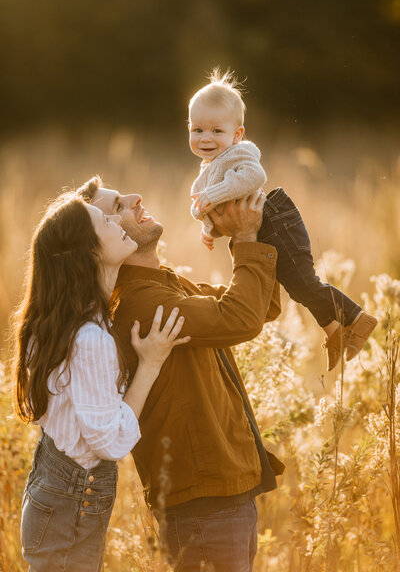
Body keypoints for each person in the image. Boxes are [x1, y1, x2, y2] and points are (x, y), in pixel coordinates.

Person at [77, 175, 282, 572]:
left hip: (225, 496)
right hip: (203, 507)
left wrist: (247, 231)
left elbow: (259, 308)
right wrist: (245, 239)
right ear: (98, 244)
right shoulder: (141, 305)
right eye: (116, 207)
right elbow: (240, 318)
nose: (135, 198)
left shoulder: (166, 285)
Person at [12, 192, 190, 572]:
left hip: (56, 492)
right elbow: (110, 441)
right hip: (69, 504)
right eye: (106, 221)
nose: (117, 221)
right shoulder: (90, 338)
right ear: (89, 252)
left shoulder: (70, 322)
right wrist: (151, 363)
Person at [188, 68, 377, 371]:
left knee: (303, 282)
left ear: (237, 135)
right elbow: (201, 203)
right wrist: (207, 228)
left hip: (276, 219)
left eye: (216, 131)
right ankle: (334, 332)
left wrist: (215, 196)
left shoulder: (239, 154)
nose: (205, 138)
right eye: (197, 130)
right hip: (260, 230)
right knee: (294, 285)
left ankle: (356, 317)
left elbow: (253, 177)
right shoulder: (206, 170)